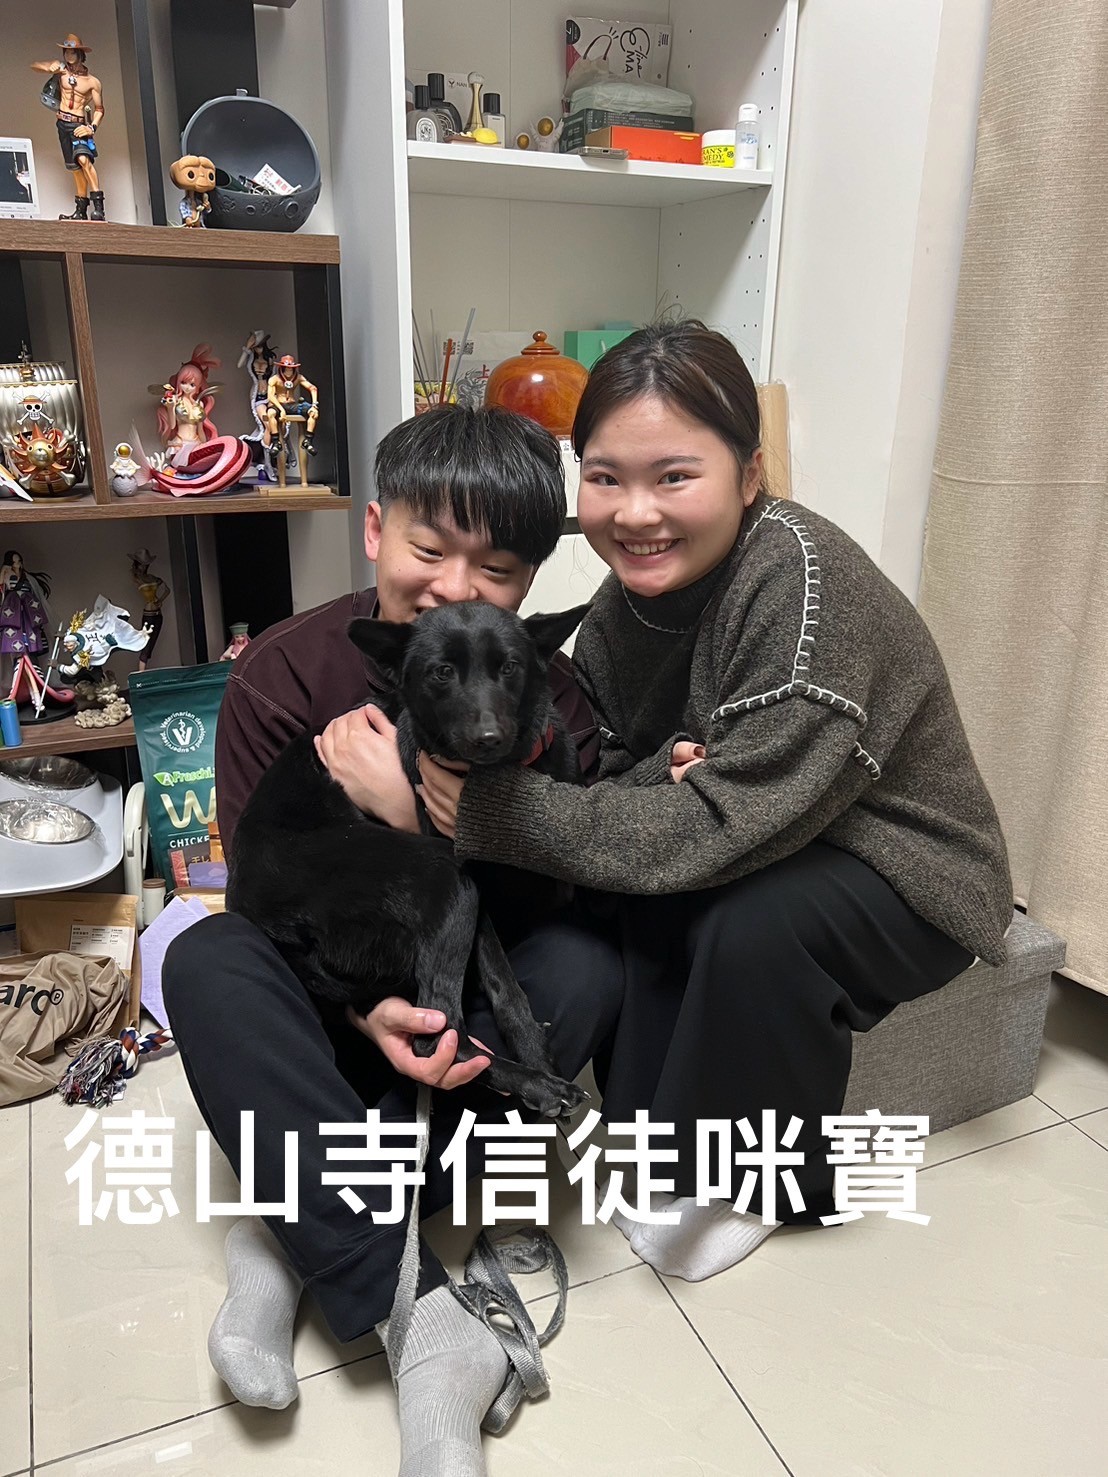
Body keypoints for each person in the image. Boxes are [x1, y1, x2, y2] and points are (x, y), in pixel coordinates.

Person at [408, 320, 1013, 1280]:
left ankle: (765, 1185)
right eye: (606, 477)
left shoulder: (804, 588)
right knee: (637, 885)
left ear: (750, 473)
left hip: (902, 861)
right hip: (779, 827)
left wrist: (490, 812)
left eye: (674, 476)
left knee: (748, 918)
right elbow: (617, 779)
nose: (635, 512)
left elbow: (716, 829)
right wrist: (655, 780)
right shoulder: (623, 605)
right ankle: (664, 1148)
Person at [162, 405, 623, 1477]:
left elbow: (559, 896)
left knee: (586, 965)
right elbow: (268, 899)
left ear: (531, 581)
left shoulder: (551, 695)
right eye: (430, 549)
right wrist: (365, 1009)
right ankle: (426, 1321)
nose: (457, 587)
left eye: (496, 568)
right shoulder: (284, 673)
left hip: (463, 1015)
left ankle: (291, 1235)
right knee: (204, 958)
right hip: (332, 1004)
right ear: (375, 529)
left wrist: (420, 817)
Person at [30, 33, 106, 220]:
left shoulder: (92, 82)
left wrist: (92, 127)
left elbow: (99, 109)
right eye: (66, 52)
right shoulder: (62, 72)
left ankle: (99, 207)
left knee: (84, 160)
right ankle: (80, 210)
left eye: (73, 52)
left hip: (78, 125)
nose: (69, 56)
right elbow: (35, 66)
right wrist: (49, 68)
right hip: (62, 123)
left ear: (80, 54)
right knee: (74, 168)